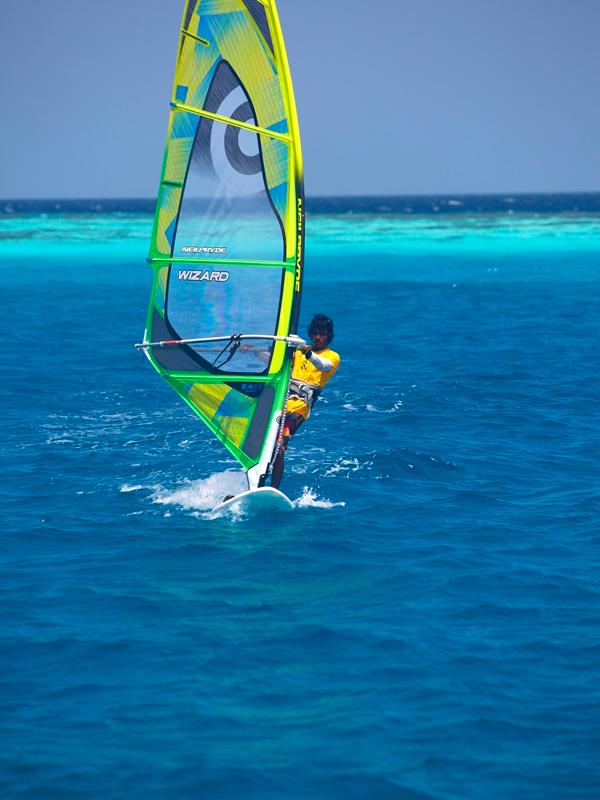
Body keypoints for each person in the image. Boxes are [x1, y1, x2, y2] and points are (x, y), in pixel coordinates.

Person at [271, 314, 340, 490]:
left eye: (322, 334)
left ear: (329, 336)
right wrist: (255, 351)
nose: (318, 337)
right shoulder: (297, 353)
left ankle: (273, 489)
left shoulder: (332, 357)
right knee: (261, 444)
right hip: (277, 404)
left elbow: (323, 365)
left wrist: (307, 353)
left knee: (279, 447)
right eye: (315, 333)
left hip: (298, 410)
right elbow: (276, 364)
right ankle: (254, 484)